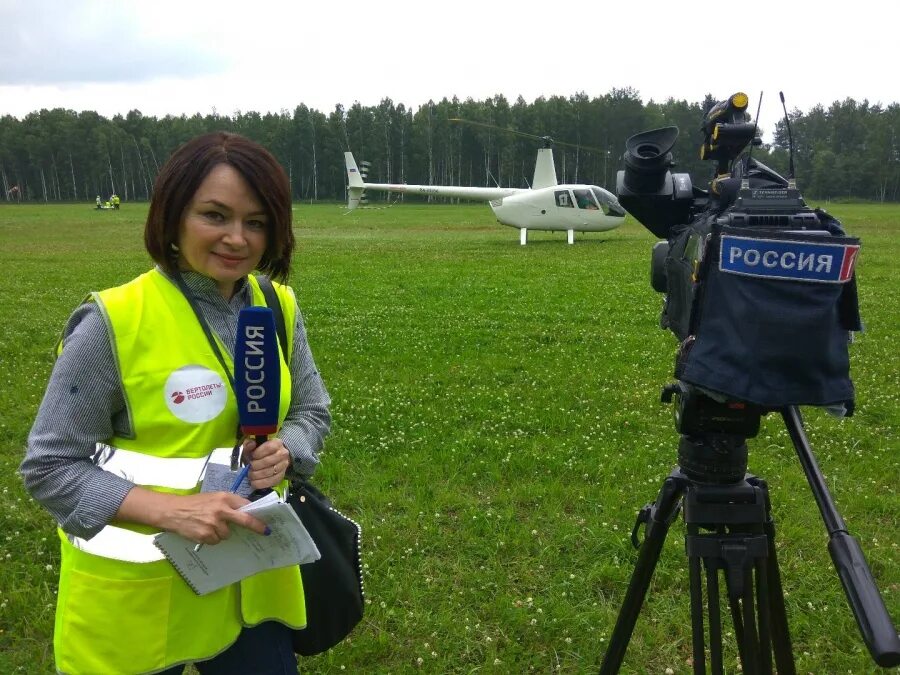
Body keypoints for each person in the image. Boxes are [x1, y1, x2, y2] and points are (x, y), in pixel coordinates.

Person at [21, 132, 331, 674]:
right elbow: (49, 468)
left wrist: (290, 449)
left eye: (256, 222)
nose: (237, 238)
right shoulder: (113, 323)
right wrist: (173, 510)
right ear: (173, 215)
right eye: (215, 215)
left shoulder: (276, 305)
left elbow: (311, 411)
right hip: (139, 599)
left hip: (251, 584)